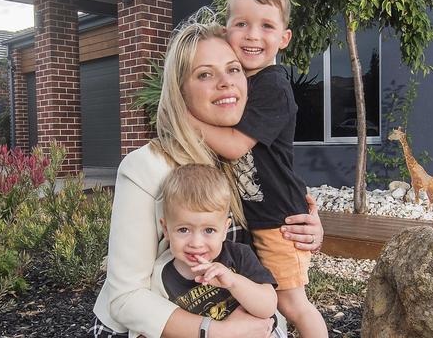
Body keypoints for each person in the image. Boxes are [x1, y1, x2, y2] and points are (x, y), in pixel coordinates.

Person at [91, 20, 324, 338]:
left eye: (234, 69)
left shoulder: (248, 157)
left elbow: (269, 243)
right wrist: (217, 332)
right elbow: (125, 299)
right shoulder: (144, 168)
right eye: (205, 74)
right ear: (181, 91)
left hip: (238, 311)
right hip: (161, 327)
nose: (226, 83)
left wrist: (307, 230)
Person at [188, 0, 328, 338]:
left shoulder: (273, 87)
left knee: (292, 304)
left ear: (284, 38)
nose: (252, 35)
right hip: (259, 217)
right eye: (242, 24)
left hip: (281, 222)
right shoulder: (240, 83)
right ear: (226, 30)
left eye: (266, 26)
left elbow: (234, 146)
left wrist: (184, 117)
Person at [151, 164, 280, 336]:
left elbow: (268, 306)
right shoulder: (161, 277)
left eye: (209, 230)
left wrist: (233, 281)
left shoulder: (238, 255)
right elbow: (163, 327)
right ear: (166, 229)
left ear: (225, 229)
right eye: (183, 230)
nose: (196, 243)